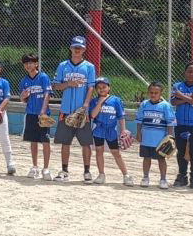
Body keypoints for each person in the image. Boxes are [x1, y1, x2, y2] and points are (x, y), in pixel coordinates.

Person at [52, 36, 97, 183]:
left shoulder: (89, 67)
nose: (77, 49)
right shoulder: (63, 65)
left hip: (82, 111)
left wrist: (85, 105)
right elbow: (56, 85)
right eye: (75, 47)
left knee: (85, 143)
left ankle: (87, 172)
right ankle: (64, 170)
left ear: (84, 49)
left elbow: (91, 87)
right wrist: (68, 84)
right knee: (66, 142)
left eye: (80, 47)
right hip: (66, 110)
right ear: (70, 48)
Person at [89, 77, 132, 186]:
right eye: (98, 88)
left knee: (116, 153)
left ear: (109, 88)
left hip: (111, 130)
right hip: (98, 129)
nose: (101, 89)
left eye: (104, 87)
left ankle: (126, 175)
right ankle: (101, 174)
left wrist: (123, 130)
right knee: (99, 151)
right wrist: (100, 102)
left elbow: (121, 116)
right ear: (95, 90)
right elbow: (93, 115)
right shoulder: (94, 101)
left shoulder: (115, 100)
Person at [18, 53, 53, 180]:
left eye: (31, 62)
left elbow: (47, 95)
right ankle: (35, 167)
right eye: (26, 63)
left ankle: (46, 168)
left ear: (36, 64)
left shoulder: (43, 77)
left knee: (45, 141)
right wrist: (23, 96)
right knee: (33, 141)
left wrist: (43, 112)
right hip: (31, 114)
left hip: (43, 114)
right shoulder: (24, 81)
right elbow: (23, 100)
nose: (28, 65)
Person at [137, 82, 176, 189]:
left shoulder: (165, 106)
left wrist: (169, 137)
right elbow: (139, 120)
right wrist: (139, 133)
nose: (153, 95)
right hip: (146, 138)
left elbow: (170, 122)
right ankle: (145, 177)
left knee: (161, 159)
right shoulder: (144, 104)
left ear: (161, 93)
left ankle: (163, 179)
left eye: (156, 93)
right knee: (146, 158)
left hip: (160, 140)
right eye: (151, 92)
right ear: (148, 93)